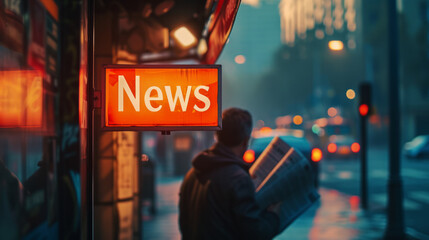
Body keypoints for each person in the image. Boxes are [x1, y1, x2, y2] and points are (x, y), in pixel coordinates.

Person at [179, 108, 280, 240]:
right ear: (245, 141)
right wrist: (273, 217)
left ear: (218, 136)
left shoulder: (192, 174)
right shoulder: (238, 179)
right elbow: (254, 233)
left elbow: (184, 223)